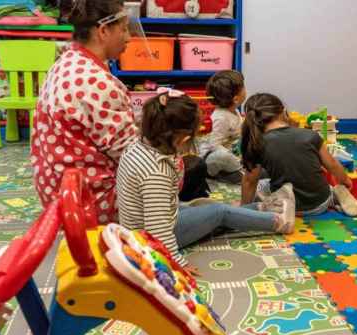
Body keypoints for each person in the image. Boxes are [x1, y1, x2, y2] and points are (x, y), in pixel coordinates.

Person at [116, 89, 295, 274]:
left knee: (210, 209)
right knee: (219, 212)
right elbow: (158, 229)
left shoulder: (138, 146)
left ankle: (260, 209)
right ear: (183, 139)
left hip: (146, 225)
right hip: (149, 239)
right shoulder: (156, 172)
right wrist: (177, 263)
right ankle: (278, 221)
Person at [31, 0, 137, 224]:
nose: (129, 37)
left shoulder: (64, 63)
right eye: (124, 29)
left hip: (58, 199)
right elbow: (134, 158)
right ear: (104, 31)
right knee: (181, 170)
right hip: (93, 205)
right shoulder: (98, 83)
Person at [240, 93, 357, 216]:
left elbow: (249, 181)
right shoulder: (310, 135)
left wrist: (242, 209)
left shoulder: (256, 144)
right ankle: (334, 196)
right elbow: (332, 164)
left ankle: (262, 206)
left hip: (286, 207)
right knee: (326, 187)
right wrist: (345, 180)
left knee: (261, 184)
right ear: (283, 112)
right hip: (320, 204)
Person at [198, 70, 246, 184]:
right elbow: (213, 145)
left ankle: (232, 172)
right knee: (222, 156)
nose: (245, 89)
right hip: (210, 158)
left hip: (232, 151)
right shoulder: (221, 117)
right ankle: (238, 172)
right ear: (235, 99)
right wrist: (235, 158)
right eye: (243, 87)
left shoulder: (234, 111)